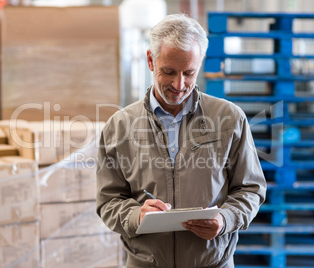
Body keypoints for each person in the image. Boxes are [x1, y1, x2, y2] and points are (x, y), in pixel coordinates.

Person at [96, 14, 266, 268]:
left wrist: (225, 219)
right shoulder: (119, 126)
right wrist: (136, 215)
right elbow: (109, 200)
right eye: (169, 72)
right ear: (151, 61)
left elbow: (251, 189)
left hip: (212, 263)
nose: (179, 84)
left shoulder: (229, 118)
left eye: (189, 73)